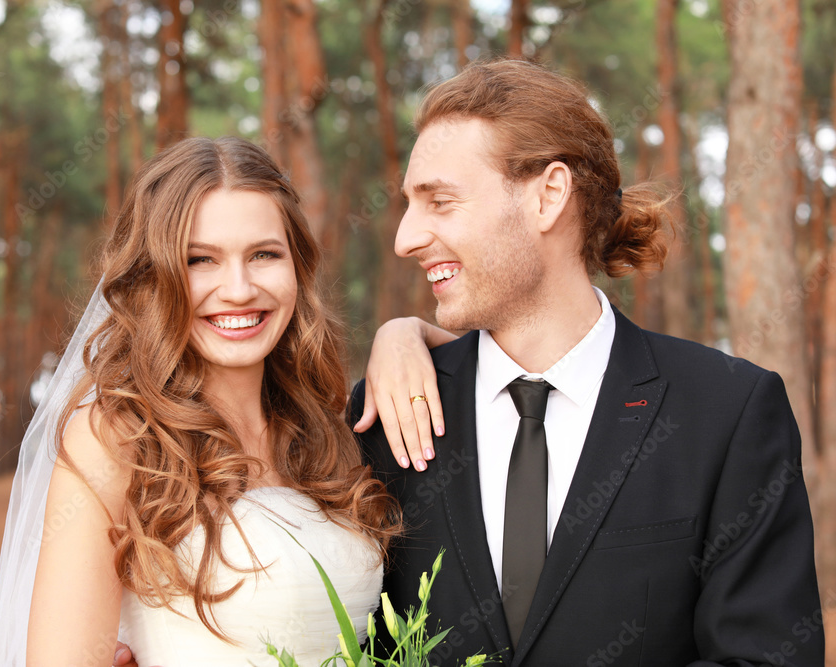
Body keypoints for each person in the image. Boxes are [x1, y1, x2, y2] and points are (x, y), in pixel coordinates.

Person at [345, 58, 824, 666]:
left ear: (549, 196)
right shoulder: (384, 412)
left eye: (440, 202)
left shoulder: (726, 412)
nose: (405, 238)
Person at [0, 136, 441, 666]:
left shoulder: (324, 431)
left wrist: (407, 333)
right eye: (201, 260)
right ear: (154, 278)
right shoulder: (116, 439)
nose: (239, 289)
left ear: (298, 267)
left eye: (264, 254)